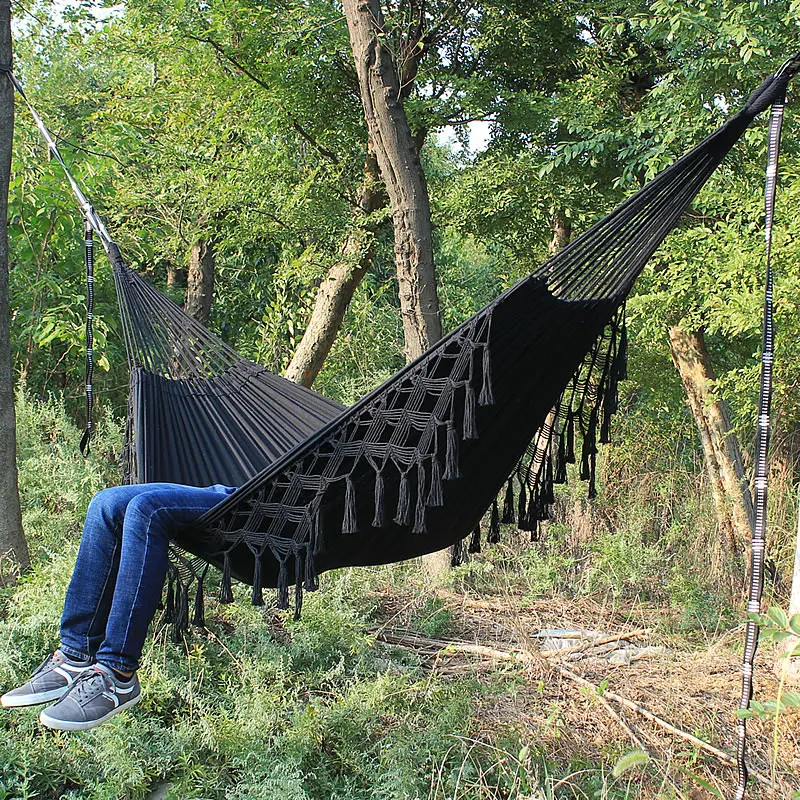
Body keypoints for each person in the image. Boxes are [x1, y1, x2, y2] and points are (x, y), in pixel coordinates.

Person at [0, 482, 236, 731]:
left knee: (148, 510)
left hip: (263, 498)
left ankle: (117, 673)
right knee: (106, 504)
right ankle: (76, 654)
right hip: (234, 487)